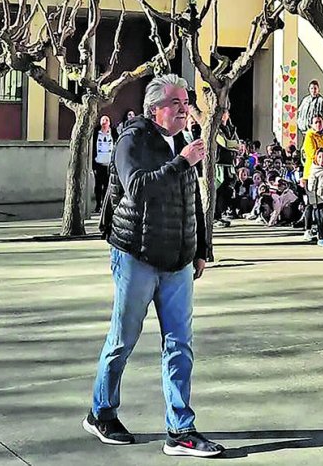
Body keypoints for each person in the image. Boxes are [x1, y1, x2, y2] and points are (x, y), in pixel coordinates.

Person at [87, 74, 224, 457]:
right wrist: (181, 162)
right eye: (177, 103)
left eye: (185, 102)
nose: (184, 109)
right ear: (155, 109)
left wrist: (201, 250)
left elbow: (192, 198)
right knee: (122, 340)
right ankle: (102, 411)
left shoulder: (181, 143)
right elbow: (139, 189)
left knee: (180, 344)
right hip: (137, 255)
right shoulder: (132, 139)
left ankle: (180, 429)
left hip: (178, 259)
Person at [92, 115, 118, 213]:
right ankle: (98, 205)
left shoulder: (113, 133)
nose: (104, 123)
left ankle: (105, 205)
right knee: (98, 186)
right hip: (98, 163)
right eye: (103, 120)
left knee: (108, 186)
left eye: (106, 120)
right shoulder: (96, 134)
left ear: (109, 123)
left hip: (109, 164)